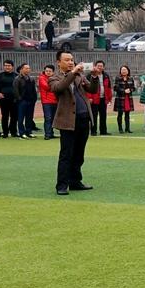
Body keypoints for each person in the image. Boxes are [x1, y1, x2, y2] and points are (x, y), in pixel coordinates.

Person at [50, 51, 97, 195]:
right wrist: (73, 73)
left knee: (79, 154)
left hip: (83, 118)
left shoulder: (79, 75)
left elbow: (92, 89)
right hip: (67, 121)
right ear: (59, 62)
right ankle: (62, 185)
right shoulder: (54, 77)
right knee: (66, 154)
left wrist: (94, 76)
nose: (70, 62)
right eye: (67, 60)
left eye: (71, 59)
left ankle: (75, 181)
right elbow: (59, 88)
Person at [0, 60, 18, 138]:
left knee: (14, 116)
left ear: (12, 67)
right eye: (5, 65)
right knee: (5, 116)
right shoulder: (0, 75)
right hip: (4, 99)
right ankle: (5, 132)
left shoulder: (16, 76)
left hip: (14, 99)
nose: (7, 67)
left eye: (9, 65)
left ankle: (13, 131)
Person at [12, 63, 38, 139]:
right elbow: (15, 91)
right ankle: (21, 133)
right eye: (26, 68)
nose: (28, 70)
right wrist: (19, 99)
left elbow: (34, 90)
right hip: (22, 101)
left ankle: (29, 132)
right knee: (20, 118)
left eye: (29, 68)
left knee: (29, 117)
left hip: (31, 101)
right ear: (21, 69)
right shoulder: (17, 79)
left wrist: (34, 99)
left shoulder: (31, 79)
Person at [87, 60, 112, 135]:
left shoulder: (106, 75)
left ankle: (103, 131)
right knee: (94, 115)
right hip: (94, 99)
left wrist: (109, 98)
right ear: (95, 66)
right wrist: (89, 97)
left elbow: (109, 87)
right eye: (98, 66)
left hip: (103, 98)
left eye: (101, 66)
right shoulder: (90, 75)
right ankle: (93, 131)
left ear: (103, 67)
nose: (100, 67)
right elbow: (87, 87)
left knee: (103, 115)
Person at [38, 65, 58, 139]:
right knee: (48, 118)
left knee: (53, 118)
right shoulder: (42, 78)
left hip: (55, 101)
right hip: (46, 101)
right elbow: (47, 87)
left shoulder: (55, 78)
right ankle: (47, 134)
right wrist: (55, 86)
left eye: (50, 71)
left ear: (53, 72)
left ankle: (51, 133)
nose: (48, 72)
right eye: (46, 71)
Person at [114, 65, 135, 133]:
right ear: (120, 71)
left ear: (128, 71)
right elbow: (115, 88)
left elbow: (133, 88)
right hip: (120, 98)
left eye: (125, 70)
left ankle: (127, 128)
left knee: (127, 114)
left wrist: (130, 90)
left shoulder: (131, 78)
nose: (124, 71)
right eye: (122, 70)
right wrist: (124, 91)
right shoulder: (118, 78)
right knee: (120, 114)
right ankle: (120, 129)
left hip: (128, 98)